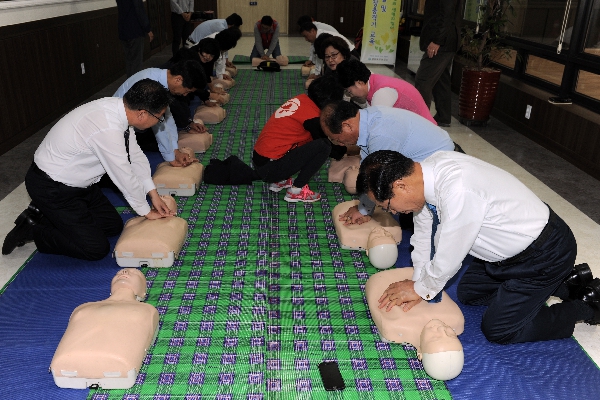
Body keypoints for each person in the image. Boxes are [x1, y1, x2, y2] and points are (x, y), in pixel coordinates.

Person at [357, 149, 600, 344]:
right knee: (469, 293)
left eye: (388, 205)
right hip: (507, 257)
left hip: (544, 254)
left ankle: (587, 306)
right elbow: (423, 235)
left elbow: (449, 254)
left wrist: (421, 288)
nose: (393, 212)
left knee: (500, 330)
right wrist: (419, 281)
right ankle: (567, 283)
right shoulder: (425, 176)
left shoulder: (458, 189)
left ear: (400, 185)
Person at [2, 79, 175, 260]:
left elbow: (136, 157)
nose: (159, 121)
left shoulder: (120, 112)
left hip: (81, 185)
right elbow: (123, 175)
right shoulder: (107, 127)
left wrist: (153, 194)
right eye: (159, 117)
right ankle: (33, 230)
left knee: (112, 226)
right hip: (51, 187)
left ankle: (51, 216)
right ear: (142, 114)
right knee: (95, 249)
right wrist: (146, 211)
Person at [319, 100, 454, 225]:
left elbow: (379, 177)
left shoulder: (380, 134)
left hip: (441, 164)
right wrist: (365, 207)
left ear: (347, 125)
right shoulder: (369, 118)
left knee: (408, 214)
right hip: (431, 153)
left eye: (337, 139)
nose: (340, 144)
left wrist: (363, 210)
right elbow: (368, 170)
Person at [50, 268, 159, 389]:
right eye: (118, 273)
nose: (124, 273)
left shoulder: (149, 310)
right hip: (66, 366)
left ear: (143, 292)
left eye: (135, 273)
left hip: (119, 365)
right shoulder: (83, 307)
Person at [252, 76, 346, 203]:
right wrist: (348, 147)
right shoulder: (314, 118)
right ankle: (296, 190)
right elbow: (334, 151)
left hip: (262, 161)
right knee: (324, 146)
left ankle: (281, 180)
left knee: (307, 141)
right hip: (270, 168)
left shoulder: (301, 99)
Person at [113, 60, 207, 166]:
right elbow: (159, 124)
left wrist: (175, 151)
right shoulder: (152, 83)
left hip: (134, 125)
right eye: (187, 91)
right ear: (178, 80)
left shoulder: (162, 80)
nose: (185, 95)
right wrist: (171, 158)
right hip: (117, 129)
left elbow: (167, 118)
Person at [336, 59, 437, 124]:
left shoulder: (382, 93)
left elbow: (376, 126)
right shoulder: (372, 80)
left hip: (426, 137)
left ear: (359, 83)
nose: (350, 94)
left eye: (349, 91)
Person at [414, 0, 461, 127]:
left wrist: (437, 41)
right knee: (441, 81)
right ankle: (443, 116)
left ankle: (421, 120)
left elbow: (446, 14)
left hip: (442, 43)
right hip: (445, 42)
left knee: (423, 81)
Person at [116, 0, 153, 77]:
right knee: (136, 63)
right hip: (135, 30)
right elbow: (139, 10)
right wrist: (148, 29)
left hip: (123, 30)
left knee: (129, 61)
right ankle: (135, 86)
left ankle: (130, 84)